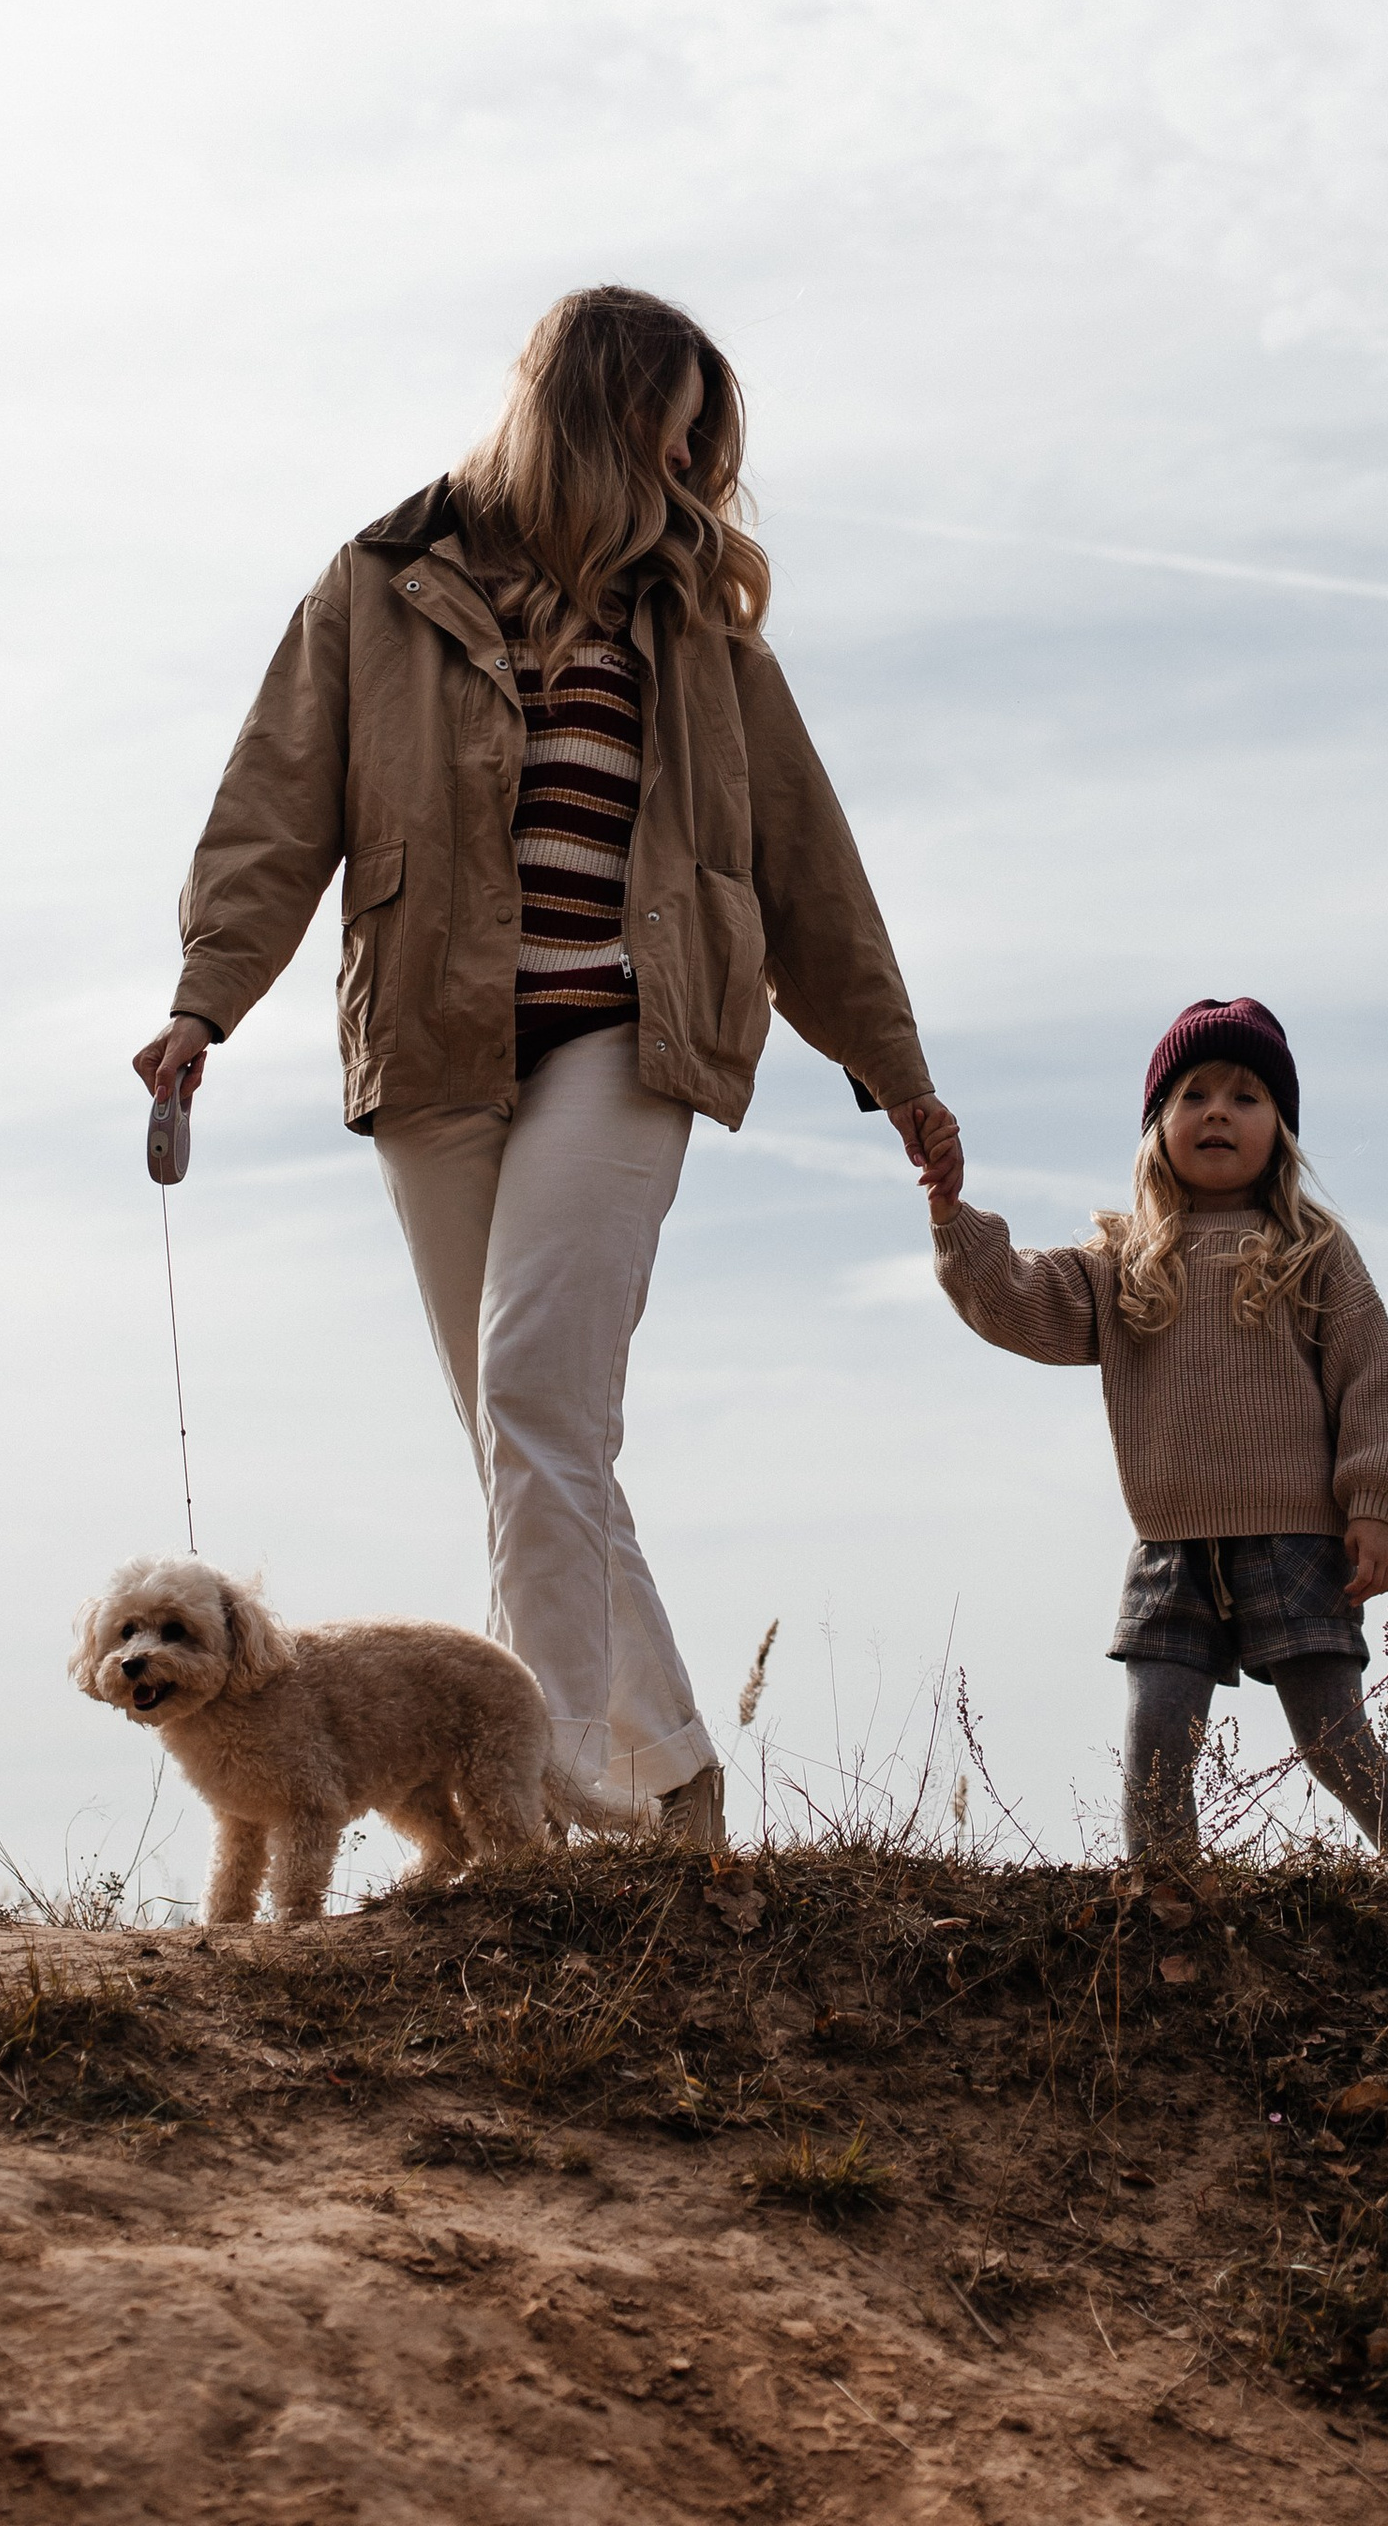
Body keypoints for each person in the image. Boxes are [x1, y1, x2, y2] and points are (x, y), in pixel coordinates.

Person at [134, 285, 962, 1848]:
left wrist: (898, 1072)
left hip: (629, 1035)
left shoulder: (700, 631)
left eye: (710, 436)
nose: (699, 456)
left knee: (532, 1402)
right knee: (537, 1437)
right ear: (598, 404)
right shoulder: (376, 588)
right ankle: (671, 1791)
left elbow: (810, 863)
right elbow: (273, 806)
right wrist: (203, 1004)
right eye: (682, 418)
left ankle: (547, 1812)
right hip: (436, 1046)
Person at [927, 996, 1388, 1871]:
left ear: (1279, 1129)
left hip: (1299, 1542)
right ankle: (1168, 1913)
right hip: (1171, 1548)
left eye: (1246, 1097)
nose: (1217, 1111)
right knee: (1155, 1754)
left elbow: (1370, 1379)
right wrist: (953, 1218)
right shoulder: (1126, 1263)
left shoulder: (1312, 1250)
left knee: (1337, 1745)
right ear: (1157, 1126)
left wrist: (1376, 1506)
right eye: (1194, 1094)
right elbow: (1017, 1301)